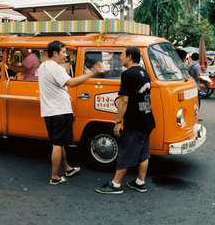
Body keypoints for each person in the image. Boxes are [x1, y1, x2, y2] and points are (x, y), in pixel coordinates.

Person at [38, 40, 103, 185]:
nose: (65, 55)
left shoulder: (43, 66)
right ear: (55, 53)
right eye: (63, 52)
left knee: (59, 142)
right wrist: (91, 73)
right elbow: (72, 83)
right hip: (59, 110)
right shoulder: (55, 68)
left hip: (50, 111)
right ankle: (55, 177)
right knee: (57, 143)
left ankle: (67, 168)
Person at [95, 46, 156, 195]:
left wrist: (117, 121)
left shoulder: (128, 74)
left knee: (126, 152)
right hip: (147, 119)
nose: (119, 57)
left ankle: (115, 184)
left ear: (129, 57)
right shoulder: (144, 72)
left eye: (122, 55)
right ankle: (140, 182)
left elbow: (124, 101)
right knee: (143, 152)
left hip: (135, 121)